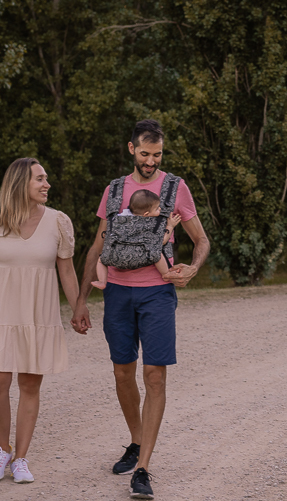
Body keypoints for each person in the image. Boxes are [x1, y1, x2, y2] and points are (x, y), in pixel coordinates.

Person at [72, 119, 210, 500]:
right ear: (131, 149)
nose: (151, 161)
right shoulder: (115, 189)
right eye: (145, 154)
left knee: (154, 375)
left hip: (157, 294)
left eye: (158, 154)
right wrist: (82, 299)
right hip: (116, 292)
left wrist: (194, 267)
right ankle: (135, 441)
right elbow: (96, 247)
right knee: (121, 372)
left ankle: (144, 468)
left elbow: (201, 239)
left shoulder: (175, 187)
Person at [0, 158, 85, 484]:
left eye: (46, 179)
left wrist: (78, 308)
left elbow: (67, 272)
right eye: (40, 179)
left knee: (30, 385)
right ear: (20, 184)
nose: (47, 185)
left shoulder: (58, 222)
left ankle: (21, 459)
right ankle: (3, 449)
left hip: (38, 315)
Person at [91, 190, 182, 289]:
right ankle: (165, 274)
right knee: (157, 254)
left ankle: (102, 281)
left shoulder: (120, 218)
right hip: (141, 256)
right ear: (146, 214)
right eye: (156, 209)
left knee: (101, 260)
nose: (160, 209)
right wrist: (170, 226)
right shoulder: (149, 224)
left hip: (118, 255)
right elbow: (162, 241)